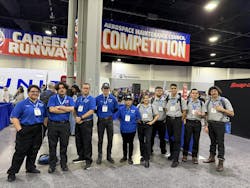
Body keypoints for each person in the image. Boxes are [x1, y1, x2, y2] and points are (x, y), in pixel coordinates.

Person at [7, 85, 48, 182]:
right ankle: (12, 172)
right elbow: (14, 117)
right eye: (32, 91)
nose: (35, 93)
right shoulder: (22, 104)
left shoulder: (41, 104)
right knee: (20, 152)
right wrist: (20, 130)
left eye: (37, 92)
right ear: (28, 93)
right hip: (25, 129)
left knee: (34, 150)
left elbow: (45, 116)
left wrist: (44, 127)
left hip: (38, 129)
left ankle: (30, 167)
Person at [203, 86, 234, 172]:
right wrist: (205, 125)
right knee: (212, 142)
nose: (213, 92)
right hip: (210, 124)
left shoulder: (224, 100)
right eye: (212, 91)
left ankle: (221, 162)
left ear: (218, 92)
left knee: (220, 143)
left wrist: (222, 109)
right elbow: (206, 114)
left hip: (220, 124)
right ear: (210, 93)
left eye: (215, 91)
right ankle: (211, 157)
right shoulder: (208, 101)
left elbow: (232, 113)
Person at [47, 82, 75, 173]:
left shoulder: (69, 98)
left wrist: (59, 107)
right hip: (53, 125)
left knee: (64, 145)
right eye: (59, 88)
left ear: (66, 89)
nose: (61, 89)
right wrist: (65, 109)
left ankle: (64, 164)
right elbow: (51, 110)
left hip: (65, 125)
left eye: (63, 88)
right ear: (57, 90)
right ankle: (52, 165)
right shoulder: (52, 98)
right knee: (52, 146)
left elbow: (72, 109)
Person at [73, 83, 96, 170]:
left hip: (86, 122)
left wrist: (81, 117)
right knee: (78, 140)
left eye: (87, 88)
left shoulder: (91, 99)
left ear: (89, 89)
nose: (85, 90)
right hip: (78, 122)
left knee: (87, 141)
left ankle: (88, 160)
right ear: (81, 89)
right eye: (84, 88)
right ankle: (81, 156)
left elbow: (91, 111)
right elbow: (74, 109)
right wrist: (76, 118)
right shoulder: (79, 99)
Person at [95, 83, 119, 164]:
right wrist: (100, 114)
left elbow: (116, 109)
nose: (106, 90)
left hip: (109, 120)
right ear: (102, 89)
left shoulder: (113, 98)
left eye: (107, 89)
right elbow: (94, 109)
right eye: (104, 89)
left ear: (109, 89)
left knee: (110, 139)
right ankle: (100, 156)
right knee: (100, 139)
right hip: (101, 120)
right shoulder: (97, 98)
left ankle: (109, 156)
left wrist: (110, 114)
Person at [165, 83, 187, 168]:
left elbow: (184, 111)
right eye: (172, 88)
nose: (173, 90)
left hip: (177, 120)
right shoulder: (167, 99)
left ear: (177, 89)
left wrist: (181, 120)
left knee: (177, 139)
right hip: (169, 119)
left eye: (175, 88)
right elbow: (165, 108)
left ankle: (176, 159)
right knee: (170, 138)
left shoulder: (181, 99)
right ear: (170, 89)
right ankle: (172, 155)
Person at [182, 88, 205, 164]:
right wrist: (184, 120)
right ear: (190, 94)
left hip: (197, 123)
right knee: (187, 139)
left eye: (196, 93)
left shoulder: (201, 103)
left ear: (198, 95)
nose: (194, 95)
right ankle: (184, 155)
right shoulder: (187, 102)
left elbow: (204, 114)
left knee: (196, 140)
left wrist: (201, 114)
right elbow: (184, 112)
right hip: (189, 122)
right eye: (193, 93)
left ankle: (194, 157)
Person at [117, 94, 141, 165]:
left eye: (129, 100)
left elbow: (138, 118)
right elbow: (118, 117)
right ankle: (124, 156)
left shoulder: (135, 109)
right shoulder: (121, 109)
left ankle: (130, 157)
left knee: (131, 143)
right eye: (126, 100)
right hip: (123, 129)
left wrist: (133, 122)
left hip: (132, 130)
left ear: (132, 101)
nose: (128, 102)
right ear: (124, 101)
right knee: (124, 143)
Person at [137, 94, 159, 168]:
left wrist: (152, 122)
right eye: (144, 98)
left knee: (148, 141)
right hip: (140, 125)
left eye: (147, 98)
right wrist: (137, 120)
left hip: (148, 125)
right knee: (141, 141)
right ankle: (143, 155)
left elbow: (157, 115)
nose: (146, 100)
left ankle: (147, 159)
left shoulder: (152, 106)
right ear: (142, 99)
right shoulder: (139, 106)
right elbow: (135, 114)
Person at [151, 86, 167, 155]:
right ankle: (150, 149)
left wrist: (165, 119)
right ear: (155, 92)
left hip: (162, 121)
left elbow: (167, 110)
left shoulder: (165, 100)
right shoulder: (151, 100)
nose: (159, 92)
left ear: (162, 92)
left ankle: (163, 150)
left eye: (160, 90)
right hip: (153, 122)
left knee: (162, 137)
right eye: (157, 90)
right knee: (151, 136)